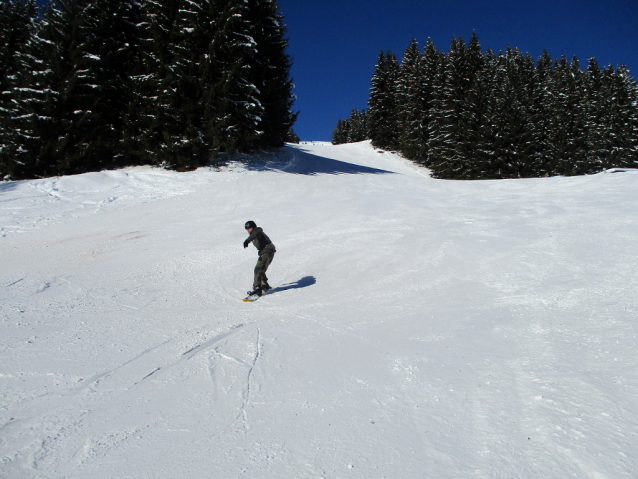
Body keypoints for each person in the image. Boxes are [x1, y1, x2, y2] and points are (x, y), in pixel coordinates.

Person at [243, 221, 276, 296]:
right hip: (266, 251)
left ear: (253, 227)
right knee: (261, 269)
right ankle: (264, 284)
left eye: (249, 228)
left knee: (258, 269)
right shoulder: (254, 233)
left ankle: (257, 288)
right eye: (246, 229)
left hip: (267, 251)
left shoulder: (257, 231)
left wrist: (247, 241)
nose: (248, 230)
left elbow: (254, 234)